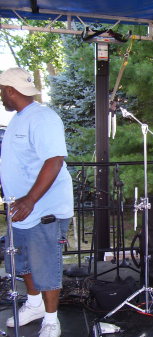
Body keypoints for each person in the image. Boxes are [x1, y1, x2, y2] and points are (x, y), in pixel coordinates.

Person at [0, 68, 73, 337]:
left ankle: (52, 319)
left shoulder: (43, 117)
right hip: (21, 210)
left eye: (1, 91)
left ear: (9, 90)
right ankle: (34, 305)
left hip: (44, 208)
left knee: (46, 264)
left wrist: (30, 199)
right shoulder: (19, 119)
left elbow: (54, 160)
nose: (1, 97)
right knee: (23, 262)